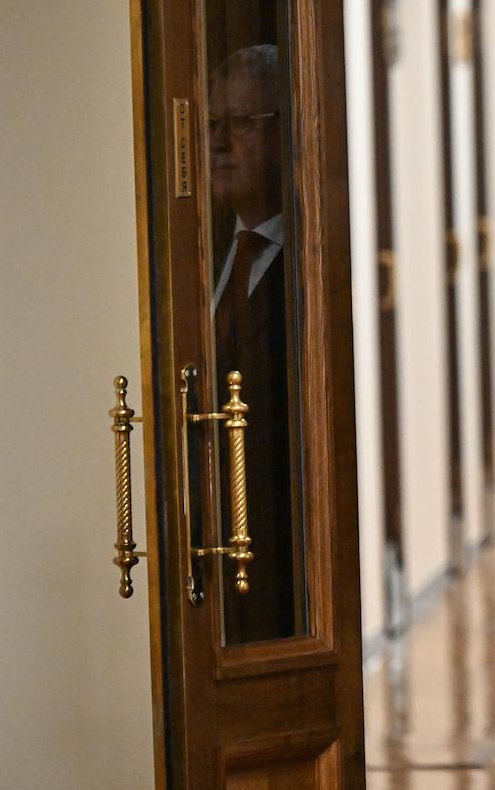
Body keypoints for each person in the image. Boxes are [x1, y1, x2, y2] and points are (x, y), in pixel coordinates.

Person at [208, 44, 296, 642]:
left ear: (283, 131)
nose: (218, 144)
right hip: (206, 537)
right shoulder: (197, 246)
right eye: (212, 125)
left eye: (240, 124)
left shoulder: (310, 262)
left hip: (280, 542)